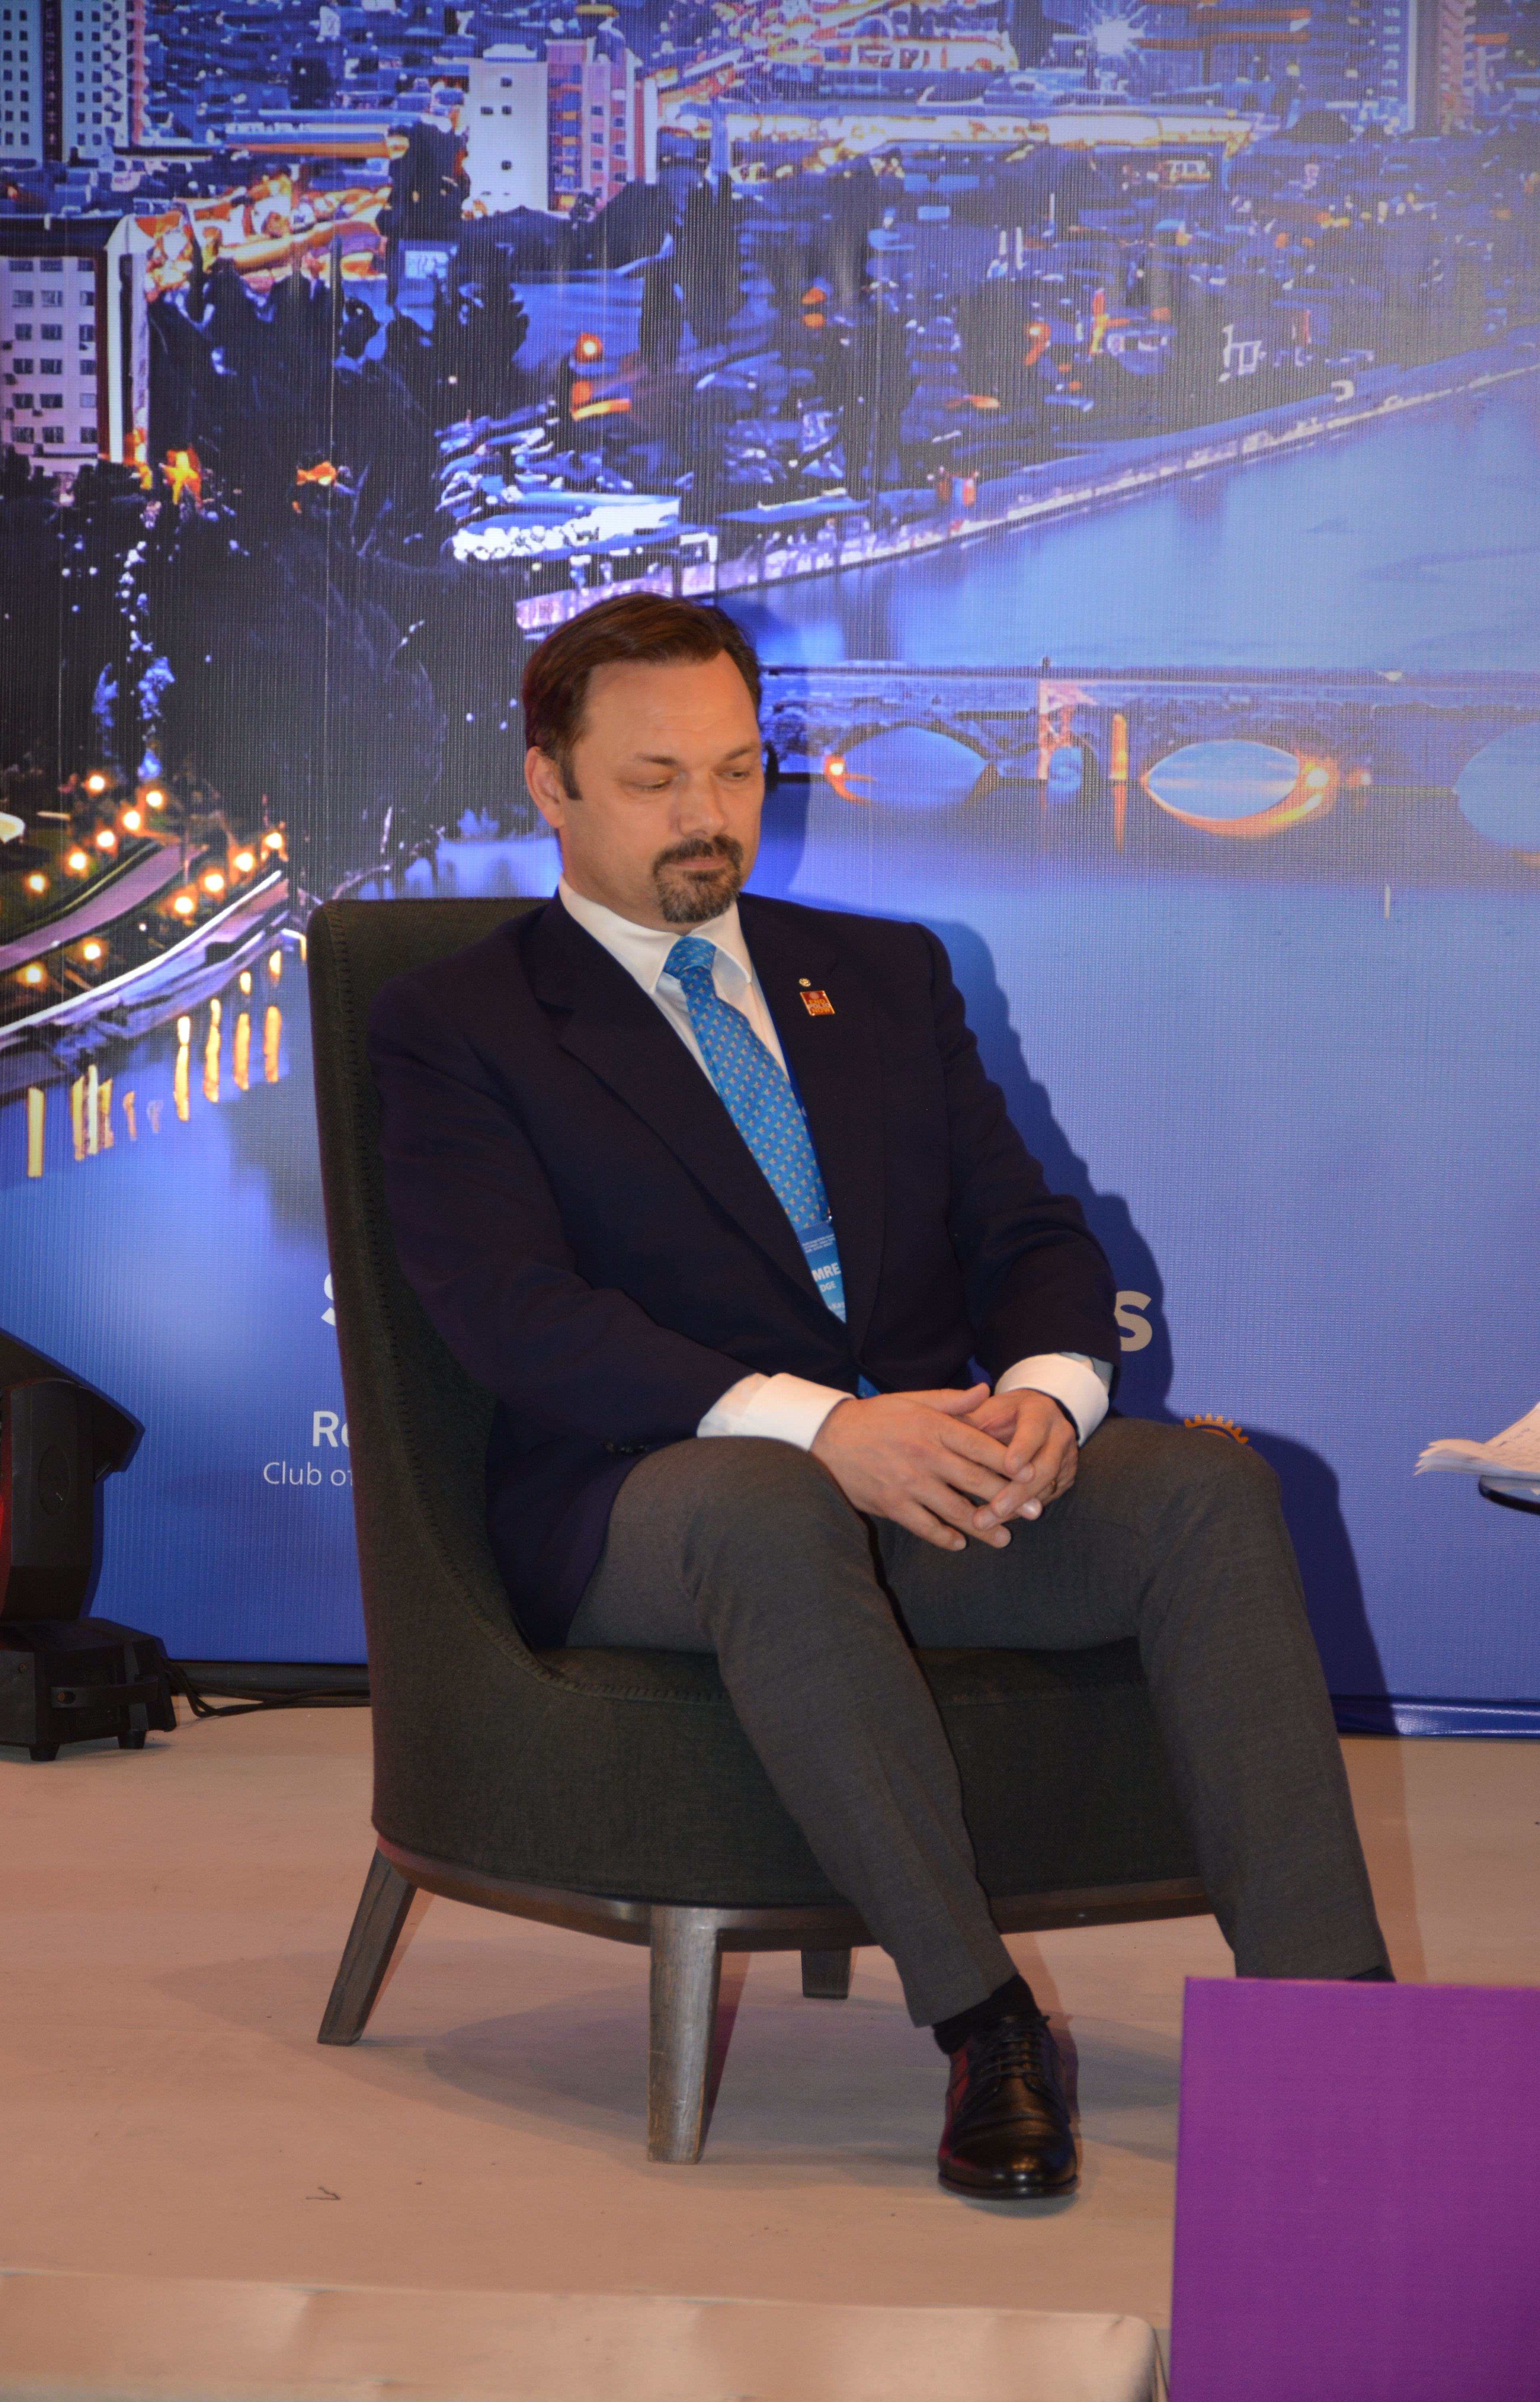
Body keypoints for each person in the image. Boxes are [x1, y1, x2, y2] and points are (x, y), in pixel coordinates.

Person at [369, 594, 1392, 2202]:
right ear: (548, 784)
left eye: (737, 769)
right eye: (654, 779)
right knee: (770, 1507)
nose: (708, 815)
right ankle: (985, 2024)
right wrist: (823, 1426)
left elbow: (1026, 1230)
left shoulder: (883, 974)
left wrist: (1048, 1392)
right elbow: (516, 1317)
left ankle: (1339, 2036)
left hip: (924, 1468)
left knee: (1204, 1491)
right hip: (653, 1496)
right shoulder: (460, 1025)